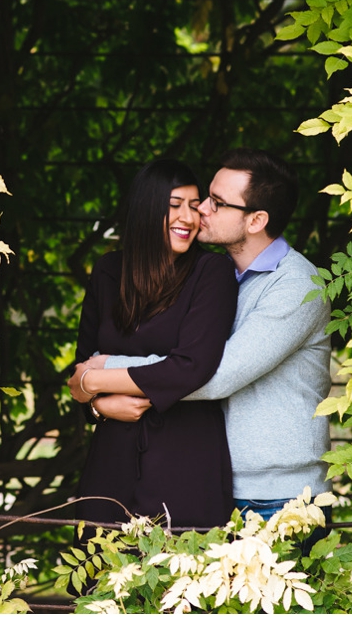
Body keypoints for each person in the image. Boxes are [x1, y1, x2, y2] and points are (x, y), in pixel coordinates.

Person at [84, 148, 333, 521]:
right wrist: (98, 403)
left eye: (216, 203)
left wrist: (99, 372)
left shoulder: (296, 286)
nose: (201, 210)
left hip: (279, 497)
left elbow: (213, 375)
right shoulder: (221, 277)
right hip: (224, 484)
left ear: (256, 220)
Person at [66, 159, 238, 530]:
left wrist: (94, 383)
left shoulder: (212, 273)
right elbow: (78, 368)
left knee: (180, 580)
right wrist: (99, 407)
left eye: (195, 206)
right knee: (102, 579)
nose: (189, 218)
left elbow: (192, 366)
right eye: (175, 205)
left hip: (186, 460)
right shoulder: (109, 271)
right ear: (147, 208)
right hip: (111, 463)